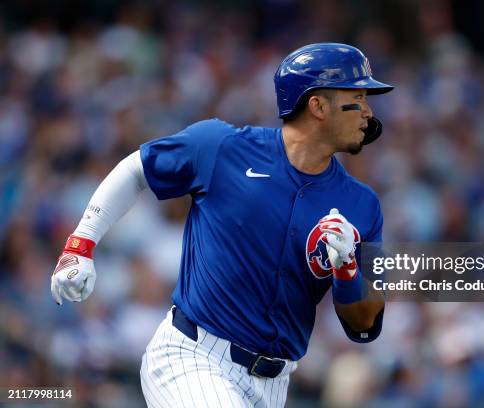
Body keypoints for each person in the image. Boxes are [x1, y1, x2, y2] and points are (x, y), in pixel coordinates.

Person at [51, 43, 394, 407]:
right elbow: (137, 168)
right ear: (318, 106)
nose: (369, 111)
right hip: (195, 357)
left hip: (275, 385)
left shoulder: (363, 205)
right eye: (358, 97)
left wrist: (347, 270)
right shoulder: (223, 146)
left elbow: (364, 323)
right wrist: (80, 243)